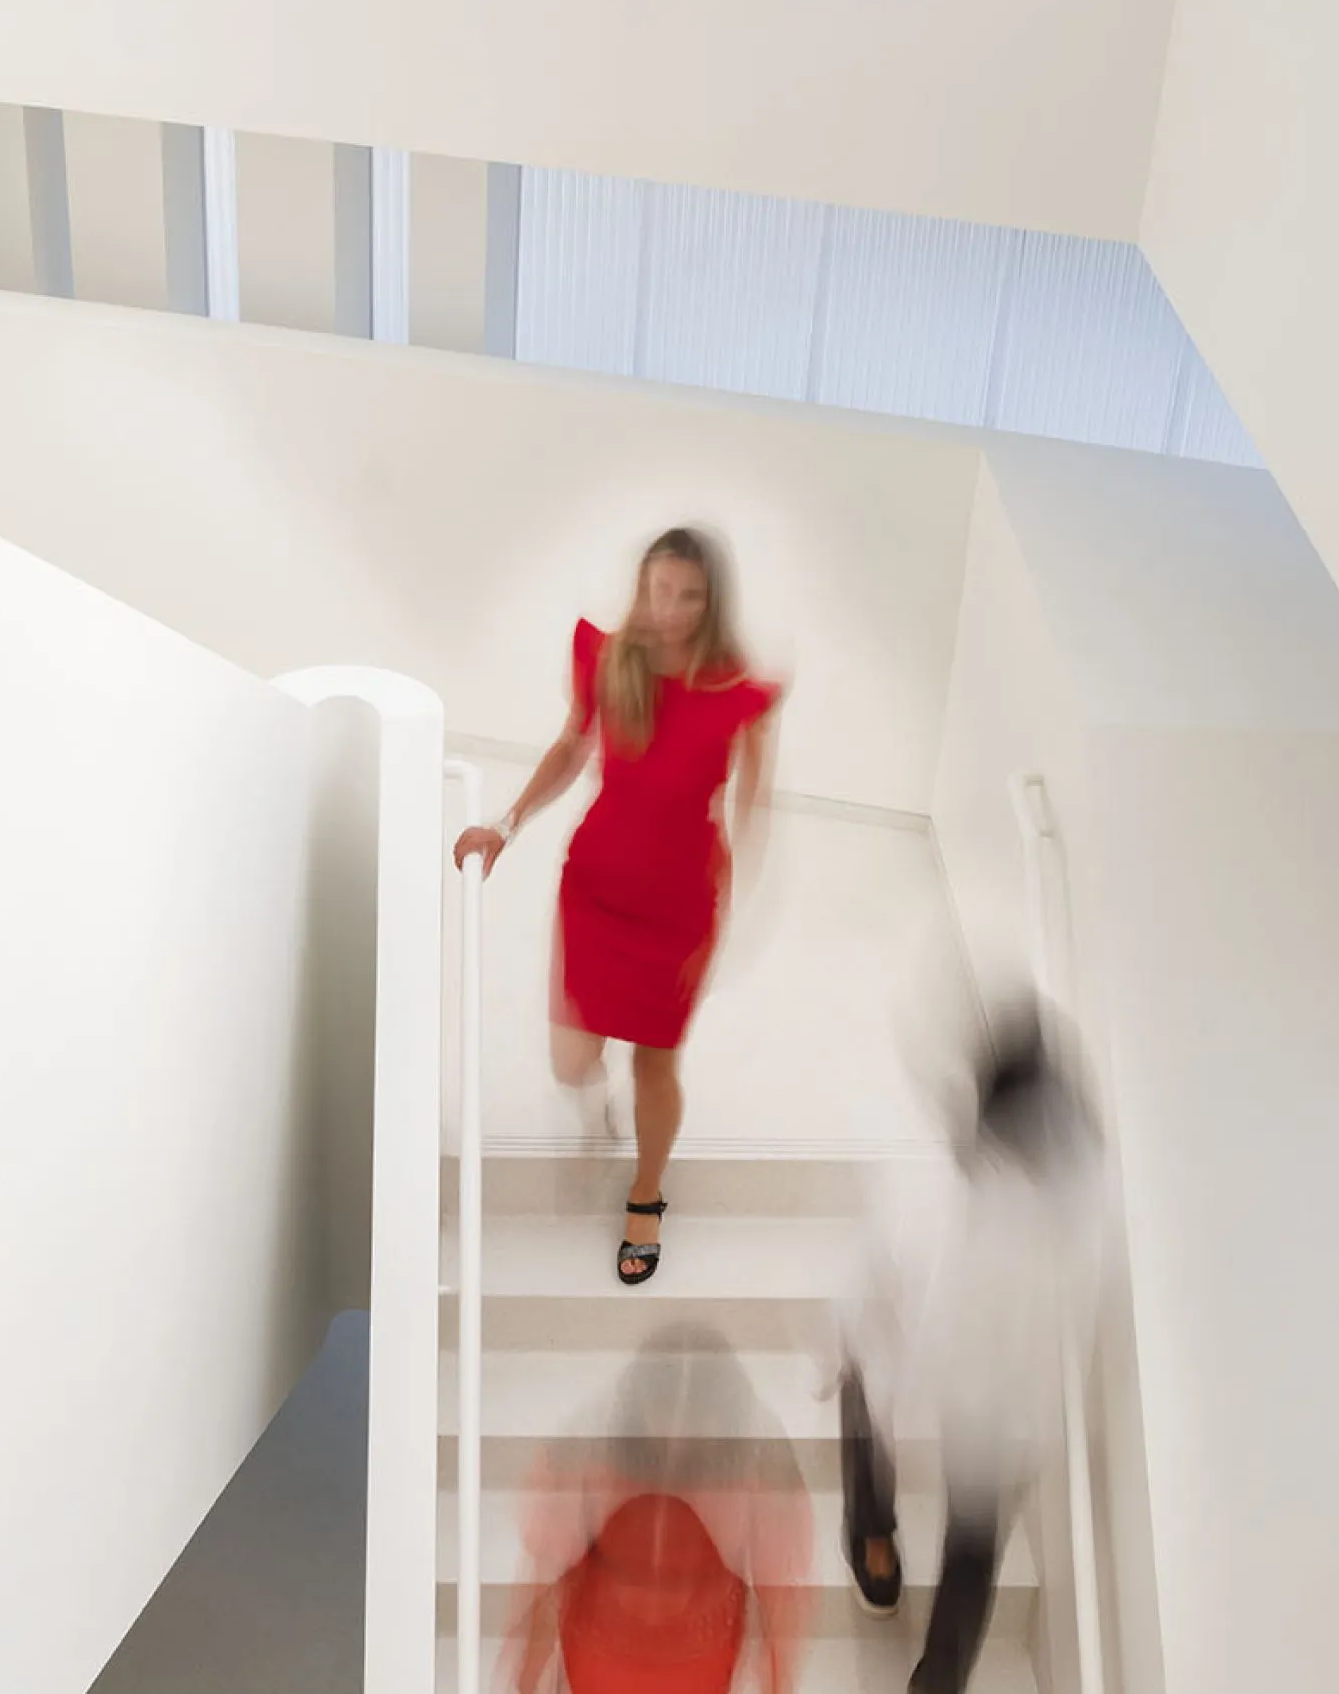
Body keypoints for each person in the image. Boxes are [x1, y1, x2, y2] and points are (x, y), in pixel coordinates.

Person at [453, 528, 783, 1285]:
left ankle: (646, 1193)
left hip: (680, 905)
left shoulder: (737, 695)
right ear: (642, 587)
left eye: (689, 595)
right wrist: (504, 825)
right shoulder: (609, 659)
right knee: (572, 1063)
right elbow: (572, 749)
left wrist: (735, 913)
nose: (670, 609)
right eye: (659, 590)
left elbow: (752, 811)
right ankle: (596, 1110)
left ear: (712, 602)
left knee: (655, 1068)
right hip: (597, 888)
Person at [829, 994, 1110, 1694]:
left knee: (862, 1387)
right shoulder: (1083, 1207)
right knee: (975, 1548)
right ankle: (940, 1678)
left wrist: (847, 1345)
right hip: (1001, 1413)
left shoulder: (928, 1196)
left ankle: (873, 1542)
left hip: (961, 1385)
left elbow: (870, 1295)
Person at [504, 1325, 814, 1694]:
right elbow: (545, 1579)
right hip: (602, 1656)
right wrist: (524, 1677)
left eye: (695, 1418)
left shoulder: (761, 1466)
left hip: (696, 1661)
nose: (678, 1438)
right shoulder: (585, 1451)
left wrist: (779, 1680)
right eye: (666, 1411)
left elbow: (781, 1603)